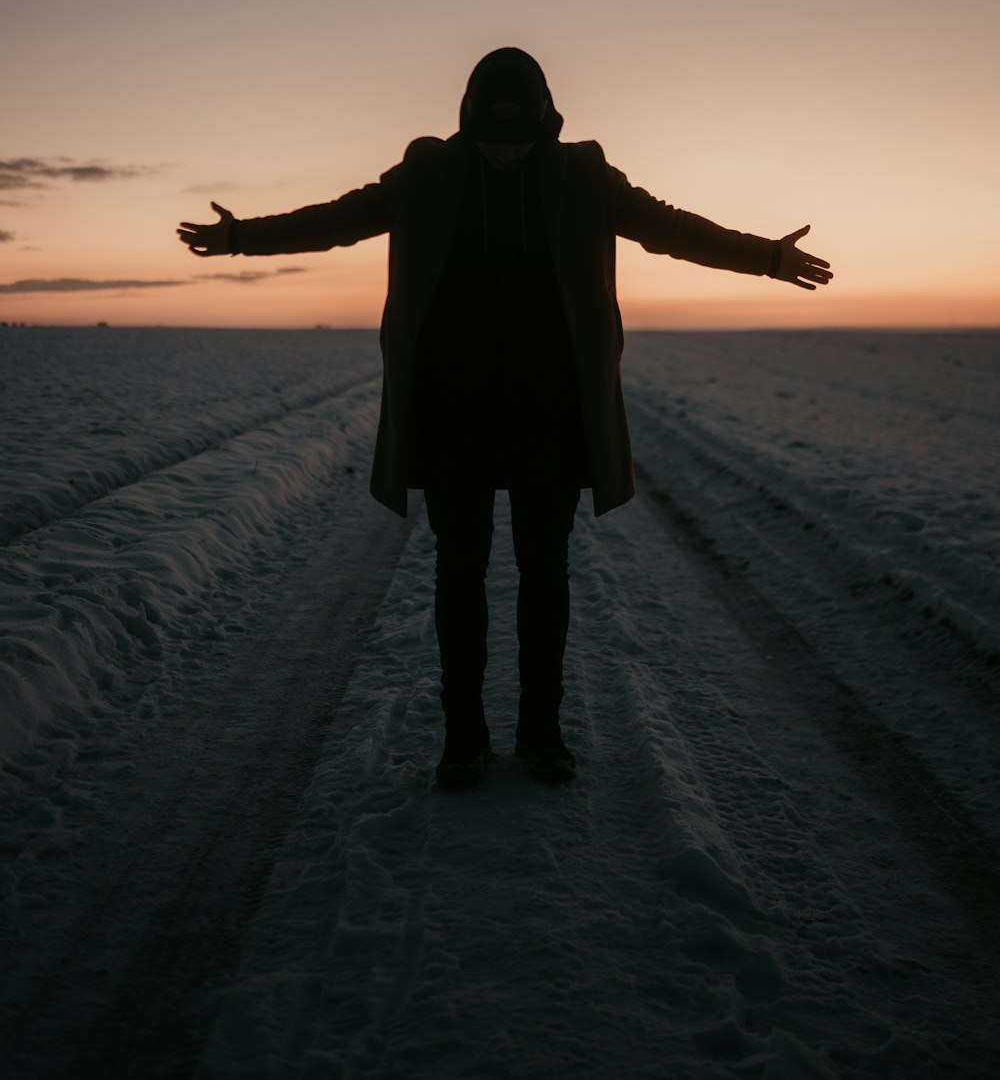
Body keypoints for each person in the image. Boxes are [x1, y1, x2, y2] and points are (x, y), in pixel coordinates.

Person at [178, 48, 832, 790]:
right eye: (493, 136)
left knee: (543, 569)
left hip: (548, 409)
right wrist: (240, 238)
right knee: (458, 570)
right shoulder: (427, 171)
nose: (507, 149)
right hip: (453, 407)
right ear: (468, 125)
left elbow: (668, 226)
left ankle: (541, 735)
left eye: (520, 137)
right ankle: (463, 741)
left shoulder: (582, 174)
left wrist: (767, 258)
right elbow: (339, 219)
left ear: (548, 125)